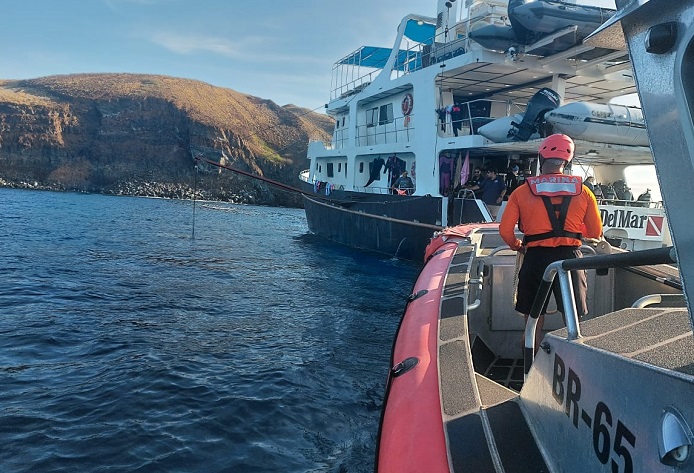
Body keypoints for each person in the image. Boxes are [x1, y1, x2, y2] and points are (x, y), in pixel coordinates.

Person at [499, 134, 603, 351]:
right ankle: (576, 368)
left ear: (541, 157)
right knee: (573, 321)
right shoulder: (584, 191)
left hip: (536, 259)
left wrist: (517, 246)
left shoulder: (521, 191)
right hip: (571, 260)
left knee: (532, 322)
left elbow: (505, 231)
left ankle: (529, 369)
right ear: (567, 161)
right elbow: (595, 231)